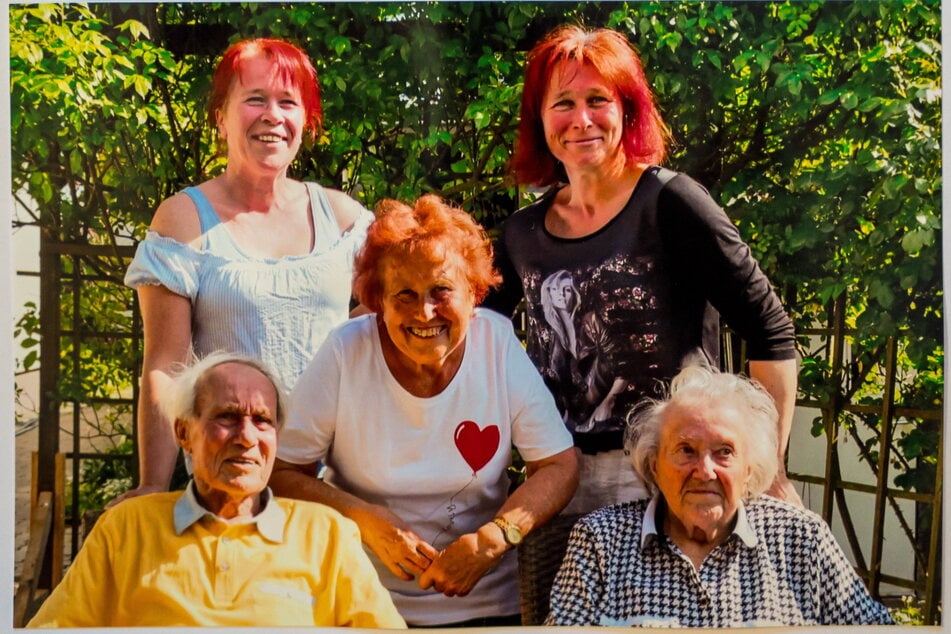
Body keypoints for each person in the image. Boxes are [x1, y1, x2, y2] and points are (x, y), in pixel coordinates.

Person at [482, 24, 800, 622]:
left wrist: (766, 469)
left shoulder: (671, 203)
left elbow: (771, 331)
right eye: (563, 103)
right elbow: (477, 347)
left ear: (627, 108)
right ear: (540, 119)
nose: (582, 119)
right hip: (562, 482)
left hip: (667, 480)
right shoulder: (520, 235)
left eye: (599, 99)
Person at [269, 195, 580, 627]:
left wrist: (495, 537)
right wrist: (366, 520)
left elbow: (559, 465)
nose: (425, 312)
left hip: (488, 604)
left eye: (441, 291)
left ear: (474, 292)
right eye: (405, 295)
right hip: (360, 603)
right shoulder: (346, 351)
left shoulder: (497, 343)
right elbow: (282, 473)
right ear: (379, 301)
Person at [116, 38, 373, 505]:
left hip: (334, 481)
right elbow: (164, 365)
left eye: (288, 103)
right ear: (221, 117)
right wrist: (153, 484)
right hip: (232, 476)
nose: (272, 115)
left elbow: (388, 321)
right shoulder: (184, 220)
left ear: (305, 122)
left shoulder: (343, 219)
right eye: (255, 99)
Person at [27, 352, 405, 628]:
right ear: (183, 434)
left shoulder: (326, 533)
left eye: (262, 421)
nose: (246, 438)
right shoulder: (125, 528)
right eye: (226, 417)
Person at [546, 365, 894, 627]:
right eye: (685, 450)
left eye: (724, 451)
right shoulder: (601, 541)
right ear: (654, 466)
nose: (705, 470)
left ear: (749, 469)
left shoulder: (801, 539)